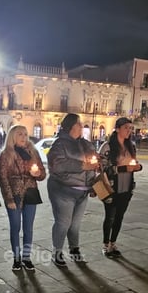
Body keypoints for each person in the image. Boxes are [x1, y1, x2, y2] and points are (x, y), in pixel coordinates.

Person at [47, 113, 98, 266]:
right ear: (71, 126)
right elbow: (57, 165)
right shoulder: (59, 144)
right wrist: (82, 166)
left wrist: (93, 184)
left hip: (82, 191)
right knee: (63, 222)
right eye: (79, 124)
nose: (82, 126)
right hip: (63, 190)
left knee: (75, 224)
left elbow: (93, 165)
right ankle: (57, 252)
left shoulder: (86, 144)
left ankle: (74, 249)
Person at [0, 125, 47, 270]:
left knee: (28, 228)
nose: (24, 137)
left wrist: (38, 174)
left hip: (30, 193)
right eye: (20, 134)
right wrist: (9, 199)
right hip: (14, 194)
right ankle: (16, 258)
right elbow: (3, 178)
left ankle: (26, 257)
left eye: (25, 134)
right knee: (15, 227)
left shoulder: (33, 151)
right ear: (13, 136)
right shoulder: (6, 154)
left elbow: (42, 173)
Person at [98, 117, 142, 258]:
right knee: (110, 217)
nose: (129, 131)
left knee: (119, 217)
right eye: (126, 128)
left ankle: (113, 243)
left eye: (130, 128)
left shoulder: (131, 146)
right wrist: (123, 168)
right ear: (117, 129)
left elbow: (135, 164)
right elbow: (101, 168)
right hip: (111, 188)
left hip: (126, 188)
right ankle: (105, 244)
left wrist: (137, 167)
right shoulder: (107, 146)